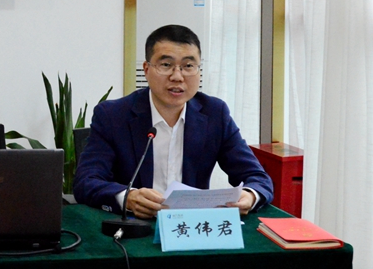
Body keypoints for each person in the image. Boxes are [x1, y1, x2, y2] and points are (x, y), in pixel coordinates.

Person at [73, 24, 273, 218]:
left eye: (188, 66)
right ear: (146, 69)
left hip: (190, 227)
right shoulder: (113, 115)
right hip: (135, 226)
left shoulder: (214, 114)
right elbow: (86, 181)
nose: (177, 77)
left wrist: (249, 196)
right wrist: (128, 197)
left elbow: (257, 178)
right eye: (166, 65)